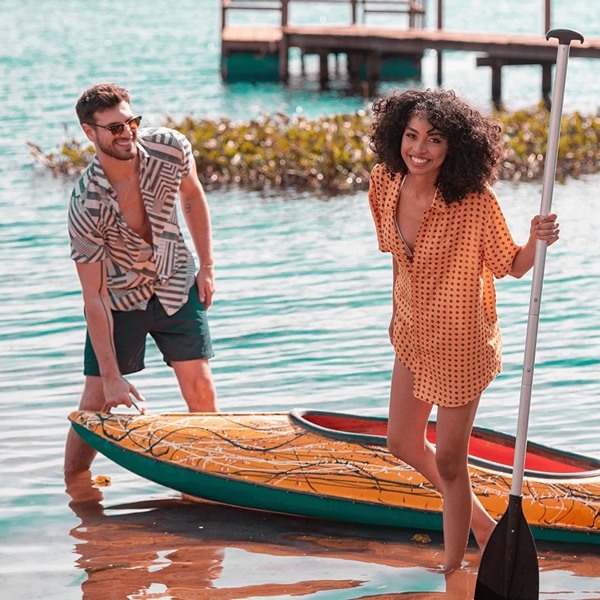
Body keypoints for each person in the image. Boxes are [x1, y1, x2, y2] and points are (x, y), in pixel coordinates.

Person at [367, 88, 559, 574]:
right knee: (402, 442)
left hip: (461, 345)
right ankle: (481, 522)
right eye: (411, 136)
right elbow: (396, 259)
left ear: (455, 147)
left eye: (434, 139)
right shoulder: (384, 182)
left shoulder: (474, 201)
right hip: (411, 333)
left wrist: (536, 241)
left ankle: (452, 569)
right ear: (397, 137)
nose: (419, 149)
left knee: (451, 463)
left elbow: (511, 265)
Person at [64, 83, 218, 473]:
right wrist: (113, 377)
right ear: (89, 133)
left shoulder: (170, 147)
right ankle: (75, 486)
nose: (127, 132)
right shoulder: (86, 202)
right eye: (114, 128)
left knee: (201, 390)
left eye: (131, 122)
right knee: (96, 401)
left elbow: (193, 195)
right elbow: (93, 298)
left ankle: (209, 481)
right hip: (119, 299)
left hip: (175, 280)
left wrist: (207, 266)